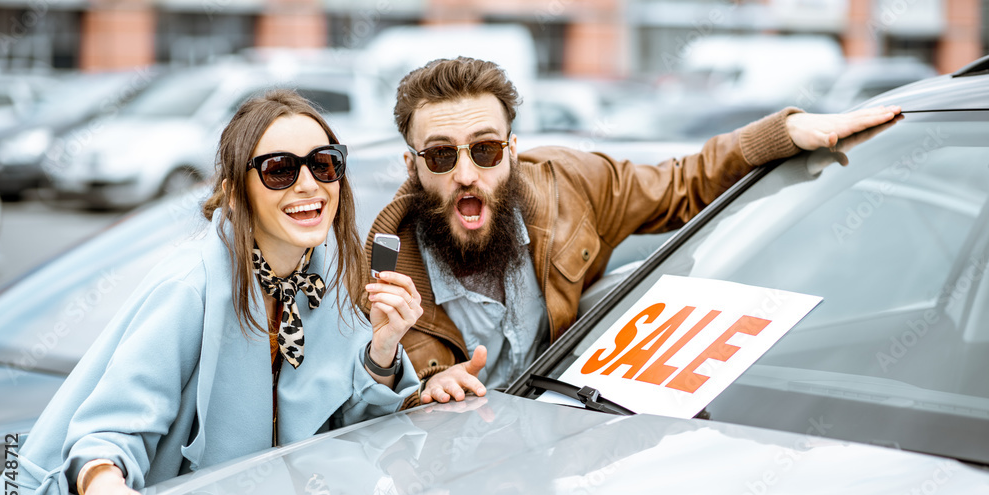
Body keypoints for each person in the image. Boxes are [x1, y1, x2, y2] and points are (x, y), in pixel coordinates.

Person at [0, 90, 422, 495]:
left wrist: (384, 347)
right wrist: (105, 484)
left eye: (325, 165)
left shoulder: (330, 283)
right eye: (280, 169)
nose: (309, 184)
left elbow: (340, 433)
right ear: (236, 191)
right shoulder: (191, 286)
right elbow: (110, 429)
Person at [365, 57, 901, 405]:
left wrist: (782, 133)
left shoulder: (570, 187)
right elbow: (359, 405)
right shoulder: (380, 265)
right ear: (412, 166)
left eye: (484, 150)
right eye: (439, 155)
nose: (465, 174)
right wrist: (420, 392)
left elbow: (683, 185)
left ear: (511, 152)